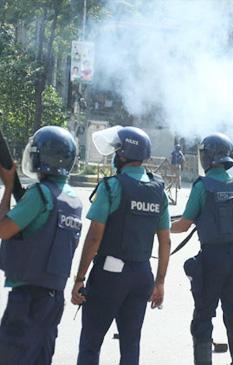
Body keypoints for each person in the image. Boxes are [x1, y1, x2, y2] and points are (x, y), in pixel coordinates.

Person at [72, 126, 171, 365]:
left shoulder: (112, 186)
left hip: (109, 275)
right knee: (130, 345)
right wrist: (159, 282)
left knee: (90, 343)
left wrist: (79, 278)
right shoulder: (159, 190)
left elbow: (95, 237)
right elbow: (165, 240)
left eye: (117, 150)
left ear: (123, 155)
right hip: (142, 275)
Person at [0, 126, 81, 364]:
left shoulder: (41, 194)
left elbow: (4, 230)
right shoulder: (72, 199)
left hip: (28, 297)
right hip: (53, 298)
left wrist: (7, 188)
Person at [170, 133, 233, 365]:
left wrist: (162, 228)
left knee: (204, 313)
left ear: (209, 157)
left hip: (213, 259)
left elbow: (184, 225)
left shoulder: (202, 186)